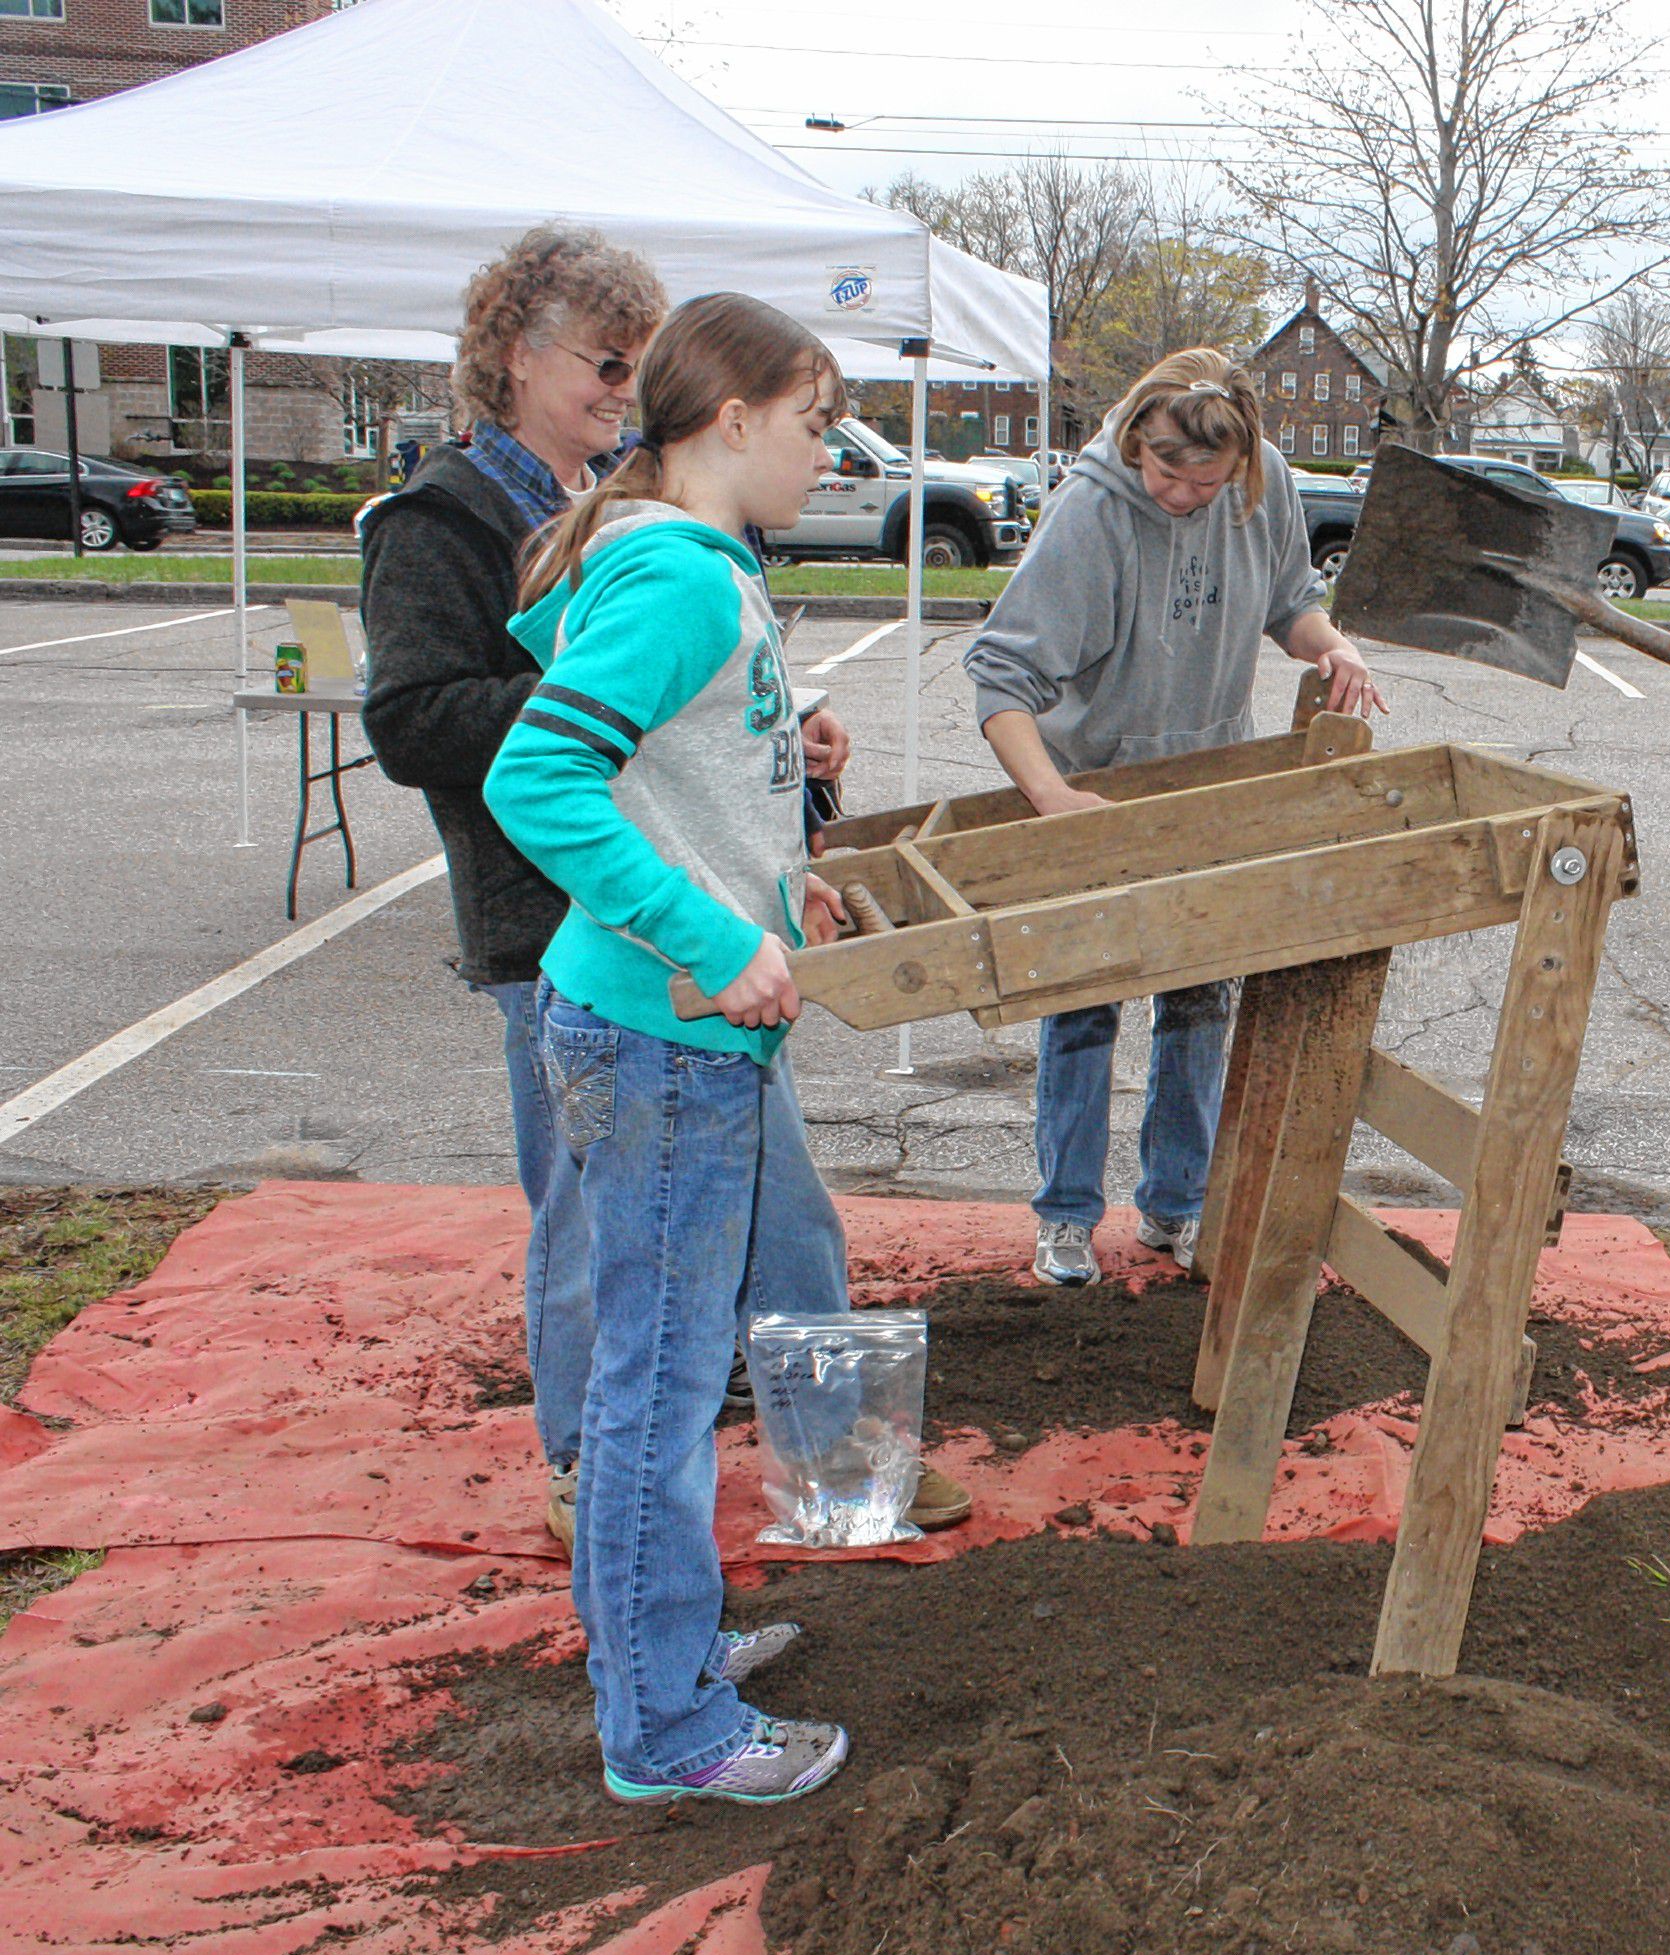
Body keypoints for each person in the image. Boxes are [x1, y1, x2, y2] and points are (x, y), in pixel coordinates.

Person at [360, 228, 967, 1547]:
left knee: (774, 1219)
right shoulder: (454, 519)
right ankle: (602, 1483)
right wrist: (631, 702)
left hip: (686, 938)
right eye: (607, 363)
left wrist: (751, 741)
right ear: (519, 359)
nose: (625, 392)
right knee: (611, 1267)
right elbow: (426, 725)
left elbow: (668, 738)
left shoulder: (644, 523)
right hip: (573, 934)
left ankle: (830, 1457)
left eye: (639, 368)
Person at [485, 291, 869, 1806]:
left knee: (667, 1377)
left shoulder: (688, 562)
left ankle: (666, 1651)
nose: (826, 455)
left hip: (666, 1027)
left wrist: (783, 883)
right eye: (813, 424)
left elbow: (676, 784)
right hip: (661, 1034)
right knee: (657, 1395)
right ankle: (664, 1727)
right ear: (730, 422)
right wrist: (719, 945)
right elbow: (543, 782)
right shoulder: (681, 579)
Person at [962, 349, 1381, 1287]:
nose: (1186, 496)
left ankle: (1177, 1203)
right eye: (1167, 475)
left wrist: (1333, 645)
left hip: (1205, 786)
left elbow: (1291, 606)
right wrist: (1053, 798)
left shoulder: (1261, 480)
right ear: (1136, 442)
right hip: (1096, 786)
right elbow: (1000, 678)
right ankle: (1066, 1215)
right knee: (1082, 1000)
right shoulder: (1092, 510)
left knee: (1199, 999)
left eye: (1207, 480)